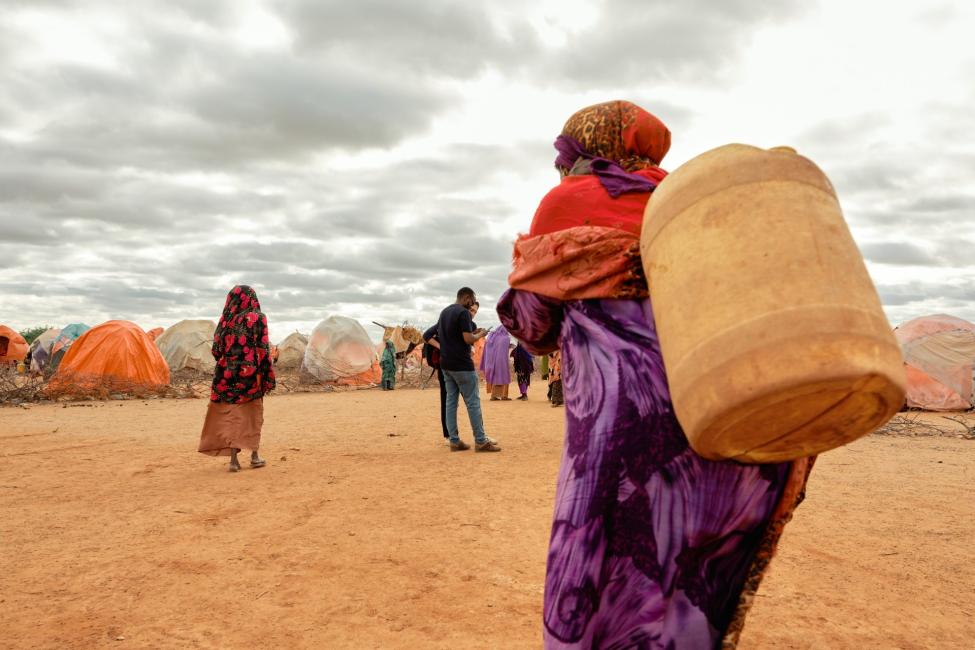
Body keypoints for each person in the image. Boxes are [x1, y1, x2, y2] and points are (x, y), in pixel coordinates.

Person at [497, 100, 813, 647]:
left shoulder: (568, 201)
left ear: (583, 150)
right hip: (713, 411)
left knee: (604, 561)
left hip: (621, 427)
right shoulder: (688, 203)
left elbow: (534, 323)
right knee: (690, 560)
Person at [198, 285, 276, 472]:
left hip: (224, 376)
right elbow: (263, 348)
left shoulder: (225, 320)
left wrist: (229, 363)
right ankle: (254, 456)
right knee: (251, 414)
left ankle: (234, 460)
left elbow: (216, 350)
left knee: (231, 414)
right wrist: (267, 374)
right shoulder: (257, 317)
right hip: (250, 376)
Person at [437, 287, 500, 452]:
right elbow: (467, 339)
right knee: (473, 402)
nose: (472, 304)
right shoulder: (463, 313)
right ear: (466, 297)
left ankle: (454, 441)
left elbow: (452, 335)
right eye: (471, 300)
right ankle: (480, 440)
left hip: (446, 365)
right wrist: (481, 335)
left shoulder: (444, 312)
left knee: (451, 402)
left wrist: (473, 333)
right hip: (462, 365)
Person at [481, 324, 512, 400]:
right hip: (502, 362)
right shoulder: (506, 338)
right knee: (504, 377)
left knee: (495, 377)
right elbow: (507, 349)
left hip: (491, 362)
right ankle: (504, 396)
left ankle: (494, 396)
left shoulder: (491, 338)